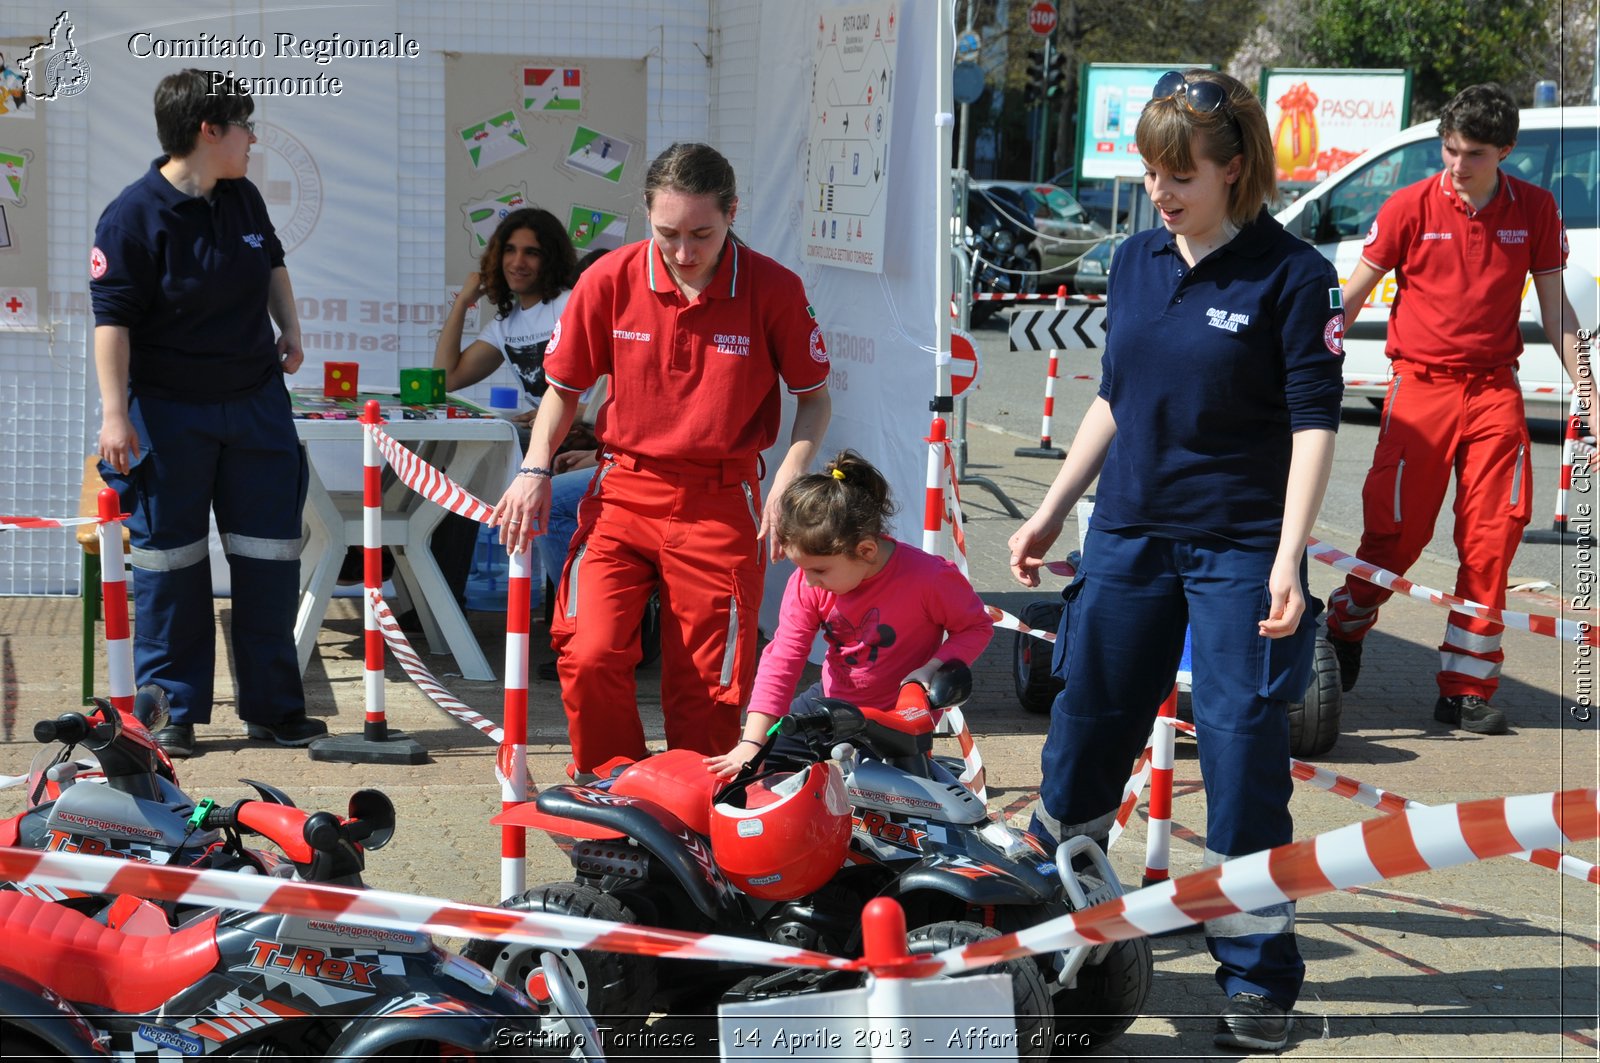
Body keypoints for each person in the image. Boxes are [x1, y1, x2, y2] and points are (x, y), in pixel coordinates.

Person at [1006, 69, 1342, 1052]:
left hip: (1241, 549)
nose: (1158, 188)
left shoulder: (1293, 275)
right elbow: (1115, 395)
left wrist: (1288, 558)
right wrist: (1048, 510)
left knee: (1241, 759)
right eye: (1149, 170)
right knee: (1084, 735)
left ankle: (1256, 978)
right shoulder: (1137, 262)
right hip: (1128, 536)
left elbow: (1316, 422)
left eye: (1179, 172)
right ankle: (1053, 937)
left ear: (1234, 169)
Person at [492, 142, 831, 779]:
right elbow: (564, 390)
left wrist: (790, 475)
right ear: (646, 215)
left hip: (721, 502)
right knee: (587, 653)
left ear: (733, 212)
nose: (683, 252)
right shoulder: (609, 279)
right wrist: (535, 468)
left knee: (708, 688)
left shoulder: (774, 288)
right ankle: (615, 802)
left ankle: (693, 827)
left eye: (702, 233)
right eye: (667, 232)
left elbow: (814, 400)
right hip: (623, 491)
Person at [1324, 83, 1592, 735]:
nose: (1455, 164)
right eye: (1449, 149)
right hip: (1420, 389)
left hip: (1496, 390)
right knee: (1396, 536)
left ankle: (1466, 688)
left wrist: (1593, 398)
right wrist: (1304, 366)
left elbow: (1557, 314)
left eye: (1471, 153)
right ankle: (1344, 625)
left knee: (1493, 537)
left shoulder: (1536, 209)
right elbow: (1351, 297)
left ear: (1505, 150)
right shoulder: (1409, 206)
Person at [90, 69, 325, 758]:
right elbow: (112, 323)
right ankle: (173, 714)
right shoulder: (132, 215)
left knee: (270, 559)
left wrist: (291, 329)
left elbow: (273, 264)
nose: (253, 138)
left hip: (255, 407)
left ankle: (275, 710)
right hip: (168, 413)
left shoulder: (244, 196)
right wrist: (115, 415)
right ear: (207, 131)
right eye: (245, 126)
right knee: (170, 567)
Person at [706, 451, 992, 778]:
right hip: (832, 701)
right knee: (756, 770)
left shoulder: (930, 579)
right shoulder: (808, 581)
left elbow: (975, 627)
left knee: (885, 805)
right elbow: (782, 657)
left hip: (897, 719)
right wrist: (753, 743)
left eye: (819, 570)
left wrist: (933, 668)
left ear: (866, 551)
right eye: (801, 568)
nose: (808, 580)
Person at [427, 208, 580, 604]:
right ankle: (439, 604)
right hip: (543, 439)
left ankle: (443, 600)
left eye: (531, 252)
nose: (517, 262)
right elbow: (446, 378)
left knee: (469, 469)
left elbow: (606, 380)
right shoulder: (507, 323)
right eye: (509, 250)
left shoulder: (569, 304)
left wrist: (569, 413)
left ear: (551, 259)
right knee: (453, 472)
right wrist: (463, 302)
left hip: (579, 437)